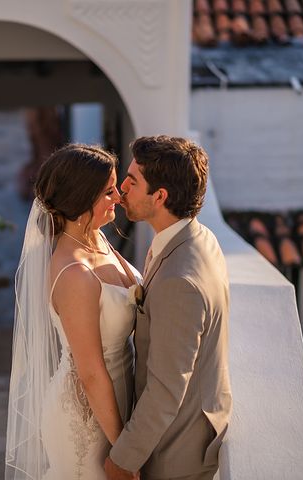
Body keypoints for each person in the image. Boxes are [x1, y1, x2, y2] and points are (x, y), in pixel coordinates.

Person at [5, 144, 141, 479]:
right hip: (85, 419)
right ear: (83, 199)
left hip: (120, 398)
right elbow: (90, 371)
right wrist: (123, 452)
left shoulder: (98, 239)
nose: (119, 197)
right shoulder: (74, 274)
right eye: (109, 191)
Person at [104, 135, 232, 480]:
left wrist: (123, 460)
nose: (121, 191)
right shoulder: (195, 237)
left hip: (177, 452)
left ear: (160, 196)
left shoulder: (180, 282)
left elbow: (166, 387)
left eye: (132, 182)